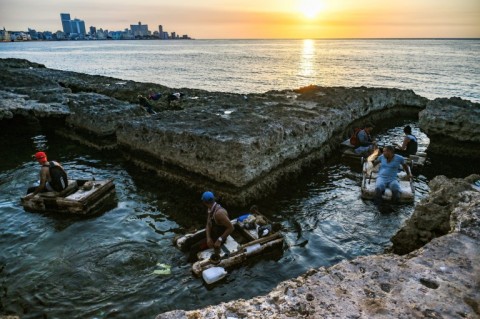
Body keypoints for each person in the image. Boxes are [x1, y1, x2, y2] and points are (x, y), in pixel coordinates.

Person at [188, 191, 234, 262]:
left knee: (193, 248)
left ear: (204, 202)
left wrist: (219, 240)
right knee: (191, 240)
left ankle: (189, 265)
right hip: (213, 233)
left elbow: (231, 228)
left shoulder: (219, 213)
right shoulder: (210, 209)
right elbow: (208, 224)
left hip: (219, 238)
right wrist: (208, 238)